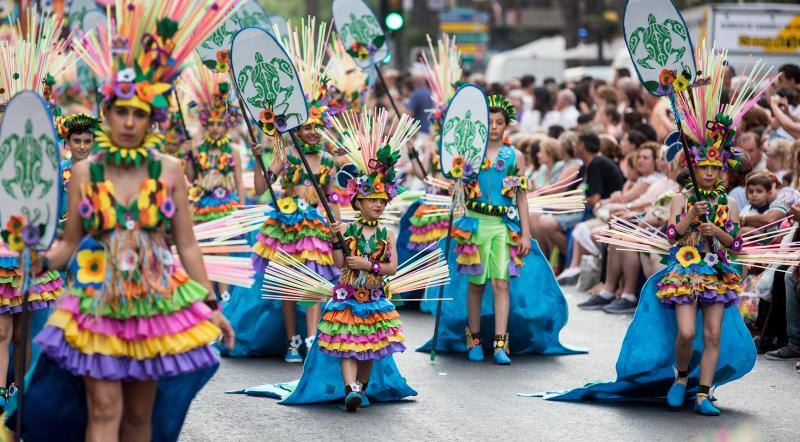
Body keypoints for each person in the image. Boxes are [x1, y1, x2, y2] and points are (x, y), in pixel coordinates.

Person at [26, 2, 237, 439]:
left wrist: (212, 307)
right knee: (103, 408)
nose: (128, 121)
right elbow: (68, 244)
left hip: (154, 301)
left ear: (151, 118)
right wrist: (38, 258)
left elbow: (188, 245)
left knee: (140, 416)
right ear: (107, 113)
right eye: (120, 111)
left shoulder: (170, 170)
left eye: (138, 113)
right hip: (97, 300)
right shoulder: (86, 172)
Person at [228, 18, 340, 362]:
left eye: (317, 128)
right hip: (288, 226)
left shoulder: (329, 161)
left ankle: (311, 338)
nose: (312, 133)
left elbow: (333, 197)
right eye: (307, 127)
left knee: (318, 284)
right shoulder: (284, 154)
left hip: (318, 228)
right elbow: (263, 186)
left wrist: (338, 231)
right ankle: (293, 340)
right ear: (297, 125)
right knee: (289, 285)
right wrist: (261, 160)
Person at [184, 68, 245, 224]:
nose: (215, 128)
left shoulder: (233, 150)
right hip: (202, 203)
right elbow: (191, 178)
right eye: (212, 124)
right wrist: (188, 155)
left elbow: (239, 182)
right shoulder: (198, 147)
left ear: (226, 125)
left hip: (226, 203)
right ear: (206, 124)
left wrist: (242, 209)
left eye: (219, 124)